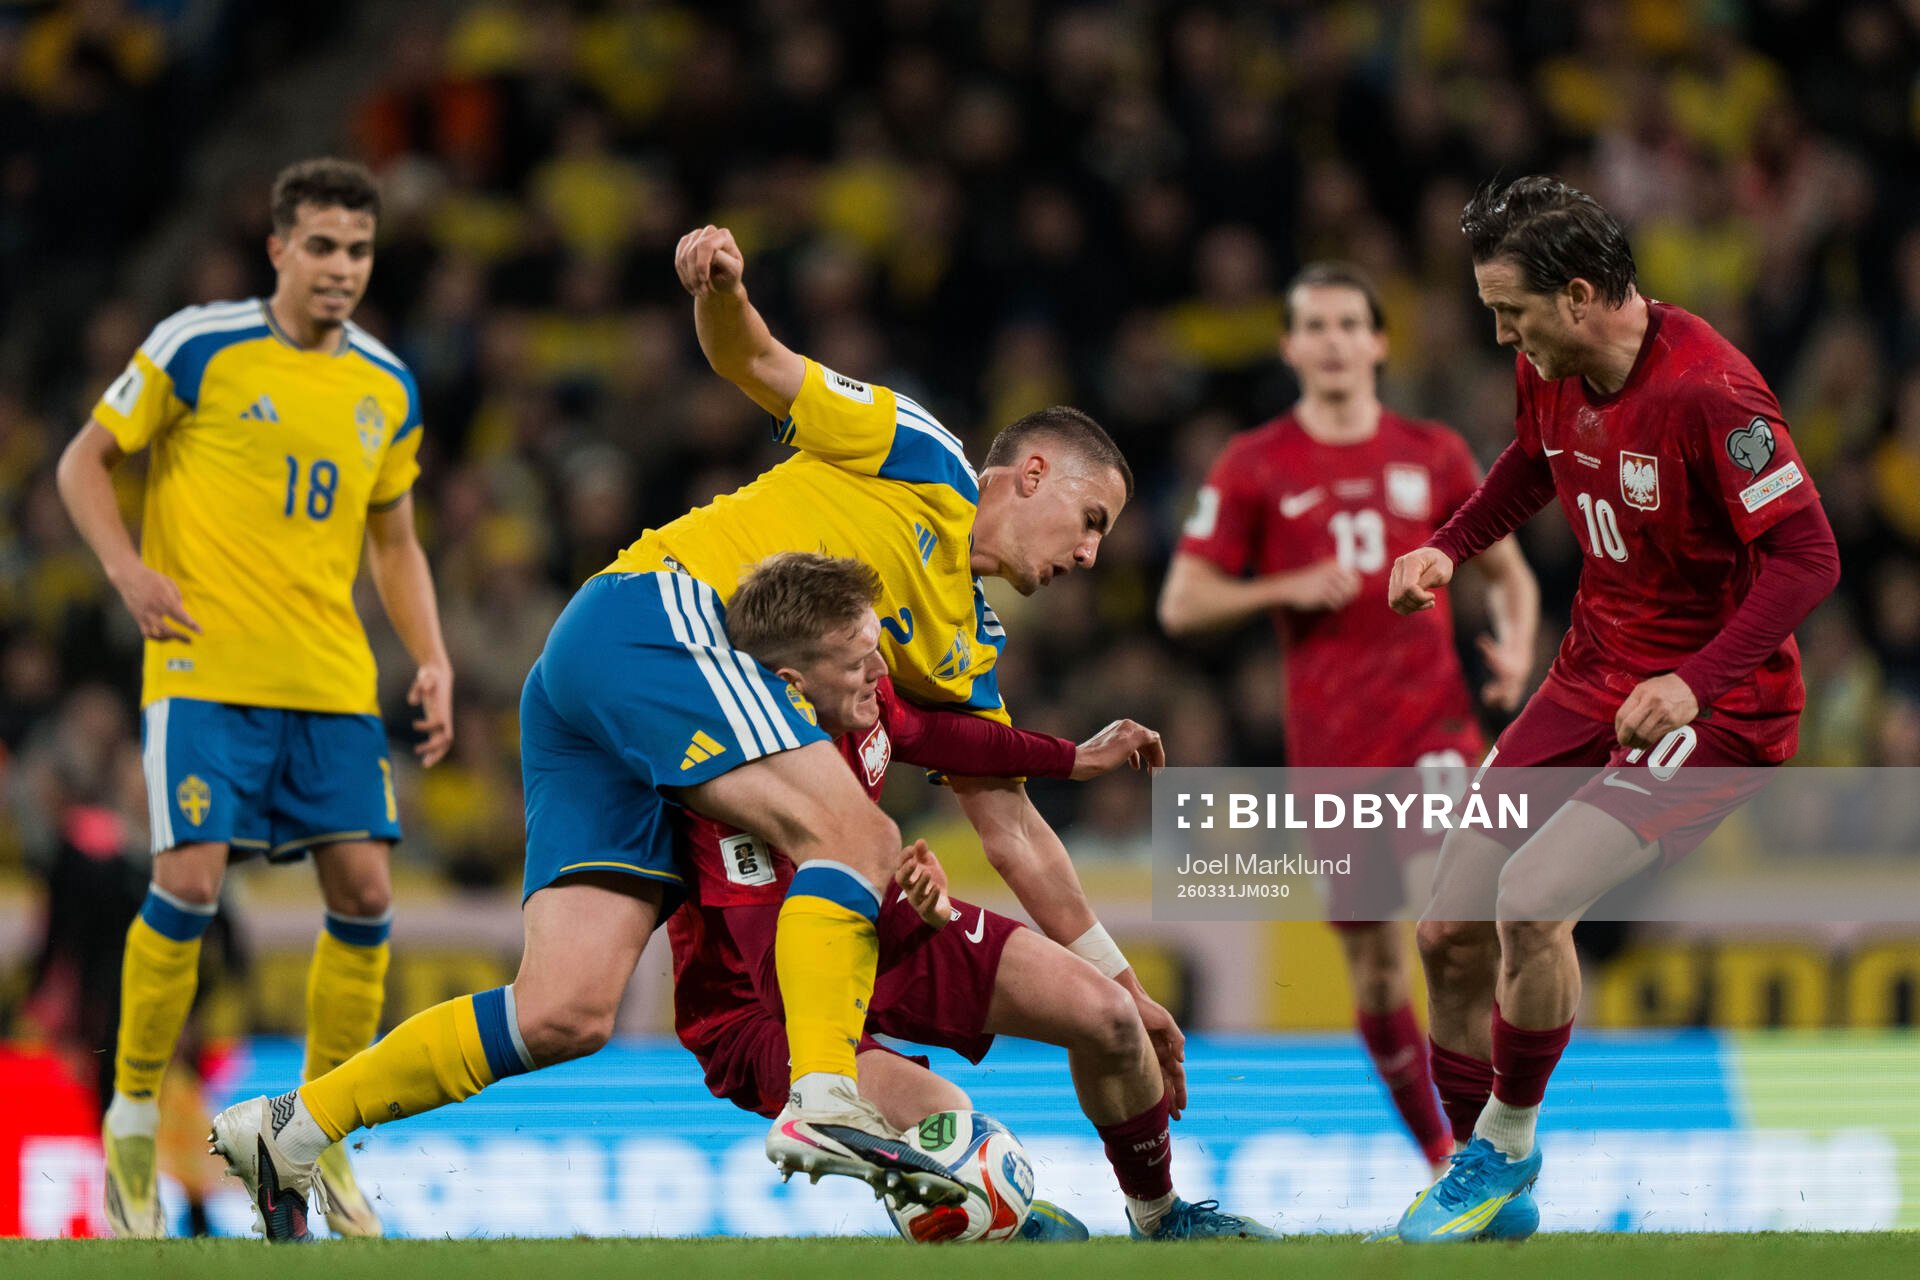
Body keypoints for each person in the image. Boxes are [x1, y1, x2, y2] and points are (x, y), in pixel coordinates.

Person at [209, 225, 1187, 1241]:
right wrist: (720, 287)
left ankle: (293, 1122)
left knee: (565, 1008)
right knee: (856, 836)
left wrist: (1123, 985)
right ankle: (825, 1094)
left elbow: (1014, 830)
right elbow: (752, 360)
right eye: (1093, 517)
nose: (1091, 550)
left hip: (598, 697)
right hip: (655, 616)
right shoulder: (922, 455)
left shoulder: (964, 648)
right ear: (1031, 472)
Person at [1385, 176, 1840, 1243]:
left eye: (1512, 312)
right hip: (1592, 674)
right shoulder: (1551, 364)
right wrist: (1449, 545)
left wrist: (1696, 678)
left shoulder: (1712, 394)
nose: (1501, 333)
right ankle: (1483, 1180)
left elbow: (1809, 555)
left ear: (1582, 293)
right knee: (1448, 928)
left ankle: (1504, 1141)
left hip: (1715, 705)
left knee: (1533, 898)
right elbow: (1534, 464)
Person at [55, 158, 454, 1240]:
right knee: (186, 876)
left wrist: (431, 654)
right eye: (320, 246)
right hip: (205, 664)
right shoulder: (199, 342)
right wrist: (130, 571)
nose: (340, 268)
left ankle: (313, 1128)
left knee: (367, 891)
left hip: (327, 676)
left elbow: (397, 538)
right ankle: (133, 1112)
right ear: (277, 248)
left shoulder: (388, 385)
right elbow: (84, 463)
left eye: (358, 250)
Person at [671, 551, 1270, 1239]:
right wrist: (911, 921)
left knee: (1108, 1014)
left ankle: (1162, 1219)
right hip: (757, 1006)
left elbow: (935, 735)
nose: (880, 672)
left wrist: (1070, 758)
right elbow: (785, 982)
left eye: (876, 649)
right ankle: (992, 1227)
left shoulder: (863, 701)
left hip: (884, 917)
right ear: (792, 685)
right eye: (858, 660)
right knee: (944, 1128)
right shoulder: (725, 791)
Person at [1158, 262, 1540, 1230]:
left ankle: (1505, 1129)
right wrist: (1279, 590)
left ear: (1378, 342)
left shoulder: (1435, 450)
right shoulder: (1255, 463)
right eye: (1312, 325)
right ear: (1288, 346)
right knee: (1375, 970)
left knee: (1463, 916)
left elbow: (1510, 573)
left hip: (1436, 731)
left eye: (1347, 324)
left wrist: (1516, 642)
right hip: (1329, 758)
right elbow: (1182, 600)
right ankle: (1454, 1162)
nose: (1330, 340)